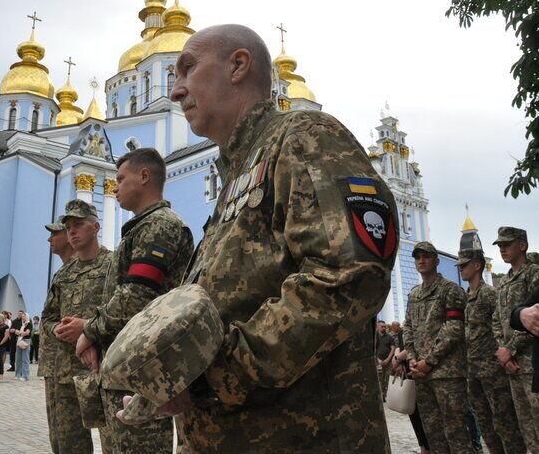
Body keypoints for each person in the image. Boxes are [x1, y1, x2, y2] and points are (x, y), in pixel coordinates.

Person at [111, 25, 400, 452]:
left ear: (238, 66)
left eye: (188, 69)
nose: (175, 91)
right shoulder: (238, 174)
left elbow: (348, 274)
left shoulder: (302, 135)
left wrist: (212, 376)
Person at [73, 147, 194, 453]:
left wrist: (90, 331)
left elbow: (136, 295)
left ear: (144, 176)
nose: (114, 186)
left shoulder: (159, 226)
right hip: (128, 366)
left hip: (144, 369)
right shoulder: (141, 228)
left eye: (121, 178)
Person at [43, 199, 112, 454]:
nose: (72, 231)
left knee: (113, 441)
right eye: (69, 226)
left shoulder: (113, 266)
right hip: (65, 372)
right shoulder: (63, 274)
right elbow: (48, 317)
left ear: (95, 227)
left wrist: (88, 330)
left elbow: (125, 314)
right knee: (68, 443)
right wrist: (58, 330)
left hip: (103, 368)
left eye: (78, 225)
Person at [401, 242, 473, 453]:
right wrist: (412, 358)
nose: (421, 260)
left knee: (456, 431)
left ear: (437, 261)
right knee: (433, 432)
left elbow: (454, 328)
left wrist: (429, 361)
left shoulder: (450, 290)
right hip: (421, 373)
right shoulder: (414, 294)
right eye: (417, 257)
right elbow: (408, 328)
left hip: (446, 373)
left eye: (426, 256)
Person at [457, 248, 526, 453]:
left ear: (477, 265)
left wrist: (506, 353)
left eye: (464, 264)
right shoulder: (466, 296)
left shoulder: (488, 293)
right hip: (473, 369)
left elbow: (501, 325)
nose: (460, 269)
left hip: (492, 369)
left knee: (504, 423)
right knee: (485, 423)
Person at [492, 226, 539, 450]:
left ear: (522, 245)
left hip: (531, 361)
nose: (502, 249)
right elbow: (497, 319)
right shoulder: (505, 281)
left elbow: (535, 317)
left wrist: (511, 348)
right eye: (500, 245)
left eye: (507, 244)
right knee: (526, 426)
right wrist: (504, 351)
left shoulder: (534, 273)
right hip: (512, 365)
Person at [39, 215, 76, 454]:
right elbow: (50, 318)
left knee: (72, 438)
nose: (50, 238)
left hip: (73, 367)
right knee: (59, 437)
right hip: (54, 366)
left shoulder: (90, 268)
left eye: (55, 233)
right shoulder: (62, 273)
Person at [375, 319, 396, 400]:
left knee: (388, 379)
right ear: (377, 327)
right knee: (380, 380)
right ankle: (382, 396)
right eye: (382, 326)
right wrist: (378, 360)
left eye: (384, 326)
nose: (384, 328)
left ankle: (389, 396)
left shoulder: (389, 337)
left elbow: (393, 349)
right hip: (378, 361)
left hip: (389, 362)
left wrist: (387, 359)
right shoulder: (375, 338)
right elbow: (373, 350)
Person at [14, 310, 32, 381]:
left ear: (27, 317)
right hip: (19, 340)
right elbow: (14, 331)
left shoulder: (29, 324)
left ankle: (25, 376)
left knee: (25, 359)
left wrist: (19, 333)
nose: (23, 317)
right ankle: (18, 374)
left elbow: (27, 333)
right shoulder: (21, 324)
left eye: (24, 316)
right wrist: (18, 332)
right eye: (22, 316)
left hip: (25, 341)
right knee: (18, 358)